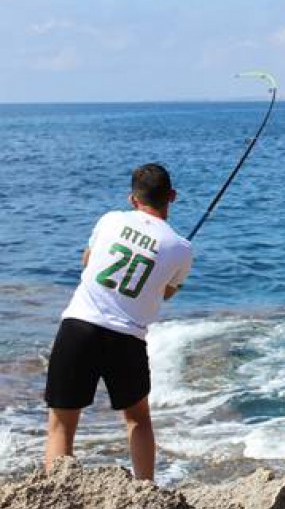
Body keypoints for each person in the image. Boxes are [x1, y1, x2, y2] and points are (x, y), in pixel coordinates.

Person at [44, 163, 193, 480]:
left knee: (61, 423)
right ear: (172, 196)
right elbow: (166, 294)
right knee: (138, 419)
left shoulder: (110, 220)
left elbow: (87, 261)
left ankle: (55, 493)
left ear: (132, 198)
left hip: (79, 327)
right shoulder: (182, 248)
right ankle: (145, 491)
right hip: (127, 339)